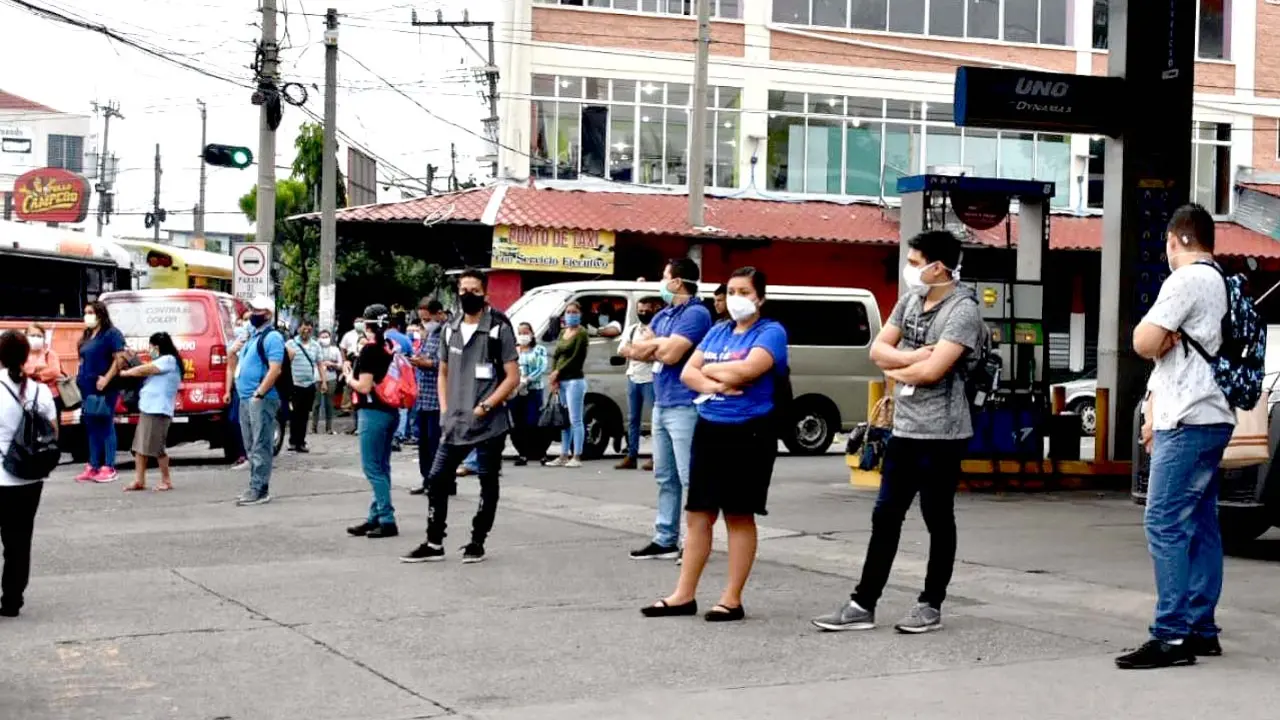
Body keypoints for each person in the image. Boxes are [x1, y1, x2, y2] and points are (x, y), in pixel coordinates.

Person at [811, 230, 983, 635]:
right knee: (885, 514)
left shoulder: (963, 310)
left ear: (938, 267)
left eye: (915, 261)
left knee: (937, 517)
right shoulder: (910, 301)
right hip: (904, 428)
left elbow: (932, 372)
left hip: (943, 432)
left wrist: (899, 365)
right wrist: (912, 357)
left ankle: (930, 604)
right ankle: (862, 604)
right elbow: (877, 350)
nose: (909, 268)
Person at [1115, 204, 1235, 670]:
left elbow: (1143, 342)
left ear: (1175, 240)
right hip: (1211, 414)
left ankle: (1171, 634)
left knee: (1163, 521)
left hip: (1187, 419)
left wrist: (1158, 337)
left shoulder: (1186, 279)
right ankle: (1201, 629)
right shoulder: (1220, 280)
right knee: (1202, 524)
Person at [643, 267, 788, 622]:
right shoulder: (718, 330)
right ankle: (683, 595)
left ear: (760, 297)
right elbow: (688, 373)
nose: (736, 298)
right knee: (698, 513)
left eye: (744, 291)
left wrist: (710, 372)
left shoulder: (770, 332)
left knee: (738, 513)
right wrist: (716, 384)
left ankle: (731, 599)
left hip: (750, 430)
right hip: (710, 426)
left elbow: (748, 371)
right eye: (731, 291)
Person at [401, 268, 519, 564]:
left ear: (485, 293)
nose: (468, 295)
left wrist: (487, 406)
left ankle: (477, 541)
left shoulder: (498, 329)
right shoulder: (450, 329)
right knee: (437, 478)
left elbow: (512, 377)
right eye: (463, 290)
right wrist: (444, 408)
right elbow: (443, 372)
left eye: (474, 291)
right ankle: (434, 542)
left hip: (489, 422)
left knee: (487, 481)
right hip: (455, 420)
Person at [625, 258, 713, 561]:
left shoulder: (697, 313)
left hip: (685, 402)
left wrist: (656, 345)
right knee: (664, 475)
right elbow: (635, 349)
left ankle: (695, 542)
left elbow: (672, 355)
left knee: (689, 477)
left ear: (677, 281)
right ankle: (665, 538)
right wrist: (658, 346)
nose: (661, 282)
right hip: (661, 402)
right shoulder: (663, 314)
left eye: (665, 276)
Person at [0, 330, 56, 618]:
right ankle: (12, 599)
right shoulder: (39, 391)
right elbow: (53, 432)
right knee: (19, 540)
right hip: (29, 477)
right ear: (25, 356)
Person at [345, 305, 401, 539]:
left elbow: (364, 386)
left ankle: (387, 519)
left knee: (372, 468)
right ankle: (374, 516)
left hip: (372, 412)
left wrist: (348, 377)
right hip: (390, 411)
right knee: (382, 466)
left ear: (367, 324)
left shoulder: (370, 350)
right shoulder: (389, 346)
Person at [225, 295, 285, 506]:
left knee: (261, 444)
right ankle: (255, 485)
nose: (252, 313)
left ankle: (259, 489)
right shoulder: (251, 337)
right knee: (250, 445)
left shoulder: (272, 337)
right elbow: (234, 365)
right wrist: (232, 352)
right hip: (246, 397)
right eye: (252, 309)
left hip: (262, 398)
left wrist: (259, 393)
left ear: (268, 314)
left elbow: (275, 369)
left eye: (257, 310)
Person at [119, 332, 182, 492]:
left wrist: (127, 372)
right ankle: (139, 480)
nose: (150, 350)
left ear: (158, 347)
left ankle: (166, 480)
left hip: (158, 410)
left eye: (151, 347)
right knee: (139, 447)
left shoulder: (169, 360)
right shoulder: (162, 361)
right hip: (148, 408)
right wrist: (133, 359)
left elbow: (146, 369)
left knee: (157, 447)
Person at [76, 300, 128, 484]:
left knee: (105, 423)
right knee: (92, 425)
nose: (87, 316)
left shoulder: (111, 334)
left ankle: (109, 466)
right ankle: (93, 465)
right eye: (85, 312)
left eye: (90, 312)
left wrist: (106, 378)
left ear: (100, 314)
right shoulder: (87, 335)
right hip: (87, 386)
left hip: (105, 387)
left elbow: (119, 359)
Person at [616, 296, 663, 471]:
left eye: (646, 310)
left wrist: (635, 351)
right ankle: (631, 455)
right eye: (640, 310)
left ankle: (656, 457)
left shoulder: (658, 330)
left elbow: (657, 354)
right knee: (633, 419)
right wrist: (641, 353)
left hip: (651, 379)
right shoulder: (633, 329)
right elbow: (622, 350)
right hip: (633, 376)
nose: (643, 313)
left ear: (654, 309)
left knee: (655, 420)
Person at [409, 299, 447, 496]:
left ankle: (442, 483)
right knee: (423, 444)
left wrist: (427, 363)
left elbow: (447, 364)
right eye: (422, 320)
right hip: (423, 399)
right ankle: (427, 480)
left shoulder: (448, 334)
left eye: (427, 319)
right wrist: (417, 360)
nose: (425, 323)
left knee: (436, 445)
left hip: (438, 401)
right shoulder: (429, 334)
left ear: (439, 314)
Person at [547, 301, 590, 468]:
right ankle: (563, 454)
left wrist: (559, 371)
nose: (571, 315)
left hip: (574, 380)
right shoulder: (563, 332)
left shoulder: (582, 334)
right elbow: (557, 354)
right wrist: (554, 375)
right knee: (564, 420)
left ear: (580, 314)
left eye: (574, 312)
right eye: (568, 312)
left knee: (575, 419)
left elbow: (576, 358)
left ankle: (577, 455)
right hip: (561, 380)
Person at [512, 321, 549, 466]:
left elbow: (541, 367)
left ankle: (541, 453)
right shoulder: (514, 350)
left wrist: (527, 379)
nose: (523, 336)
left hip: (534, 389)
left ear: (532, 334)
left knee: (534, 421)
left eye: (525, 333)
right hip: (516, 391)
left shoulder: (539, 350)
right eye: (520, 333)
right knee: (518, 423)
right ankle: (522, 453)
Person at [285, 319, 324, 453]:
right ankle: (293, 441)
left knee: (304, 414)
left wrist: (323, 381)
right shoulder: (290, 344)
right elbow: (284, 363)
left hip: (309, 385)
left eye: (309, 328)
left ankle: (301, 442)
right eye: (303, 328)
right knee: (294, 414)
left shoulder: (316, 345)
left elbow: (320, 364)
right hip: (295, 384)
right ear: (298, 329)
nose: (306, 331)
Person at [22, 324, 64, 410]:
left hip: (51, 396)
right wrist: (37, 369)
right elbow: (20, 371)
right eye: (32, 335)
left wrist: (32, 373)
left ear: (44, 338)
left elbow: (55, 372)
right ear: (25, 337)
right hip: (27, 398)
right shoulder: (21, 354)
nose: (36, 338)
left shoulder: (50, 354)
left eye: (39, 336)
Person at [313, 329, 342, 435]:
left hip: (331, 378)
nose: (325, 339)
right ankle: (313, 428)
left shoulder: (335, 350)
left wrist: (332, 364)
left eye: (327, 337)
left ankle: (329, 428)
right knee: (316, 403)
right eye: (323, 337)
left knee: (329, 404)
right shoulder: (315, 349)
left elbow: (340, 365)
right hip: (317, 378)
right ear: (319, 338)